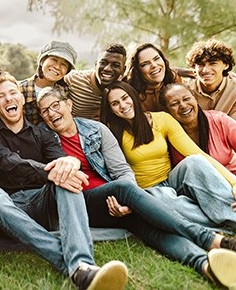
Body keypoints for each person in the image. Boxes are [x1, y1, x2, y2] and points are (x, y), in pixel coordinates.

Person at [36, 86, 236, 286]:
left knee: (151, 230)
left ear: (69, 105)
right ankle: (210, 239)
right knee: (122, 188)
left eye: (55, 105)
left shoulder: (96, 130)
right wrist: (125, 192)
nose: (52, 113)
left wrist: (128, 204)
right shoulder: (43, 139)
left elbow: (121, 170)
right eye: (45, 111)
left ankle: (205, 265)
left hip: (115, 201)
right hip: (83, 201)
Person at [0, 73, 128, 290]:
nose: (8, 99)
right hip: (9, 207)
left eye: (12, 93)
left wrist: (69, 165)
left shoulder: (43, 134)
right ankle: (75, 266)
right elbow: (9, 161)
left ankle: (82, 264)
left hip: (42, 202)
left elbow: (61, 160)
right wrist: (50, 172)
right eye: (1, 97)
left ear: (21, 98)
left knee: (67, 179)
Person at [100, 81, 236, 230]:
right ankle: (219, 222)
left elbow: (197, 153)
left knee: (195, 161)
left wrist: (234, 183)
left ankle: (231, 215)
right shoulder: (111, 133)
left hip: (172, 180)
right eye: (115, 103)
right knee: (164, 200)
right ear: (111, 110)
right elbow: (116, 172)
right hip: (148, 191)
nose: (123, 105)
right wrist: (131, 200)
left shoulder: (162, 119)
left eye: (125, 98)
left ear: (133, 96)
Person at [160, 83, 236, 174]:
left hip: (231, 179)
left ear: (195, 99)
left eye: (186, 99)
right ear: (167, 110)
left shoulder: (219, 120)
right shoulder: (164, 134)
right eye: (174, 104)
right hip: (193, 185)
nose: (183, 106)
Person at [19, 40, 76, 125]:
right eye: (54, 59)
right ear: (42, 61)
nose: (57, 67)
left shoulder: (65, 91)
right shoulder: (21, 89)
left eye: (64, 64)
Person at [64, 43, 126, 120]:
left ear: (123, 70)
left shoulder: (124, 90)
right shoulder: (73, 79)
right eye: (103, 63)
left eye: (115, 65)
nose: (107, 69)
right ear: (96, 64)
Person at [182, 39, 236, 119]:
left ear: (226, 65)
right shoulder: (185, 90)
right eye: (201, 64)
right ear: (194, 67)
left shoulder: (234, 88)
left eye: (213, 64)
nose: (205, 70)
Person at [126, 43, 182, 112]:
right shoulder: (130, 94)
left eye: (156, 58)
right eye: (145, 64)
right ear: (137, 70)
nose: (154, 65)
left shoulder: (175, 80)